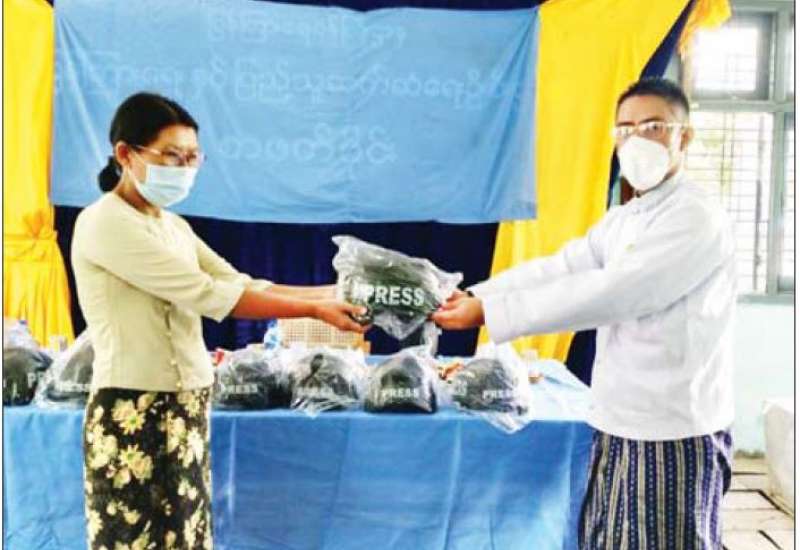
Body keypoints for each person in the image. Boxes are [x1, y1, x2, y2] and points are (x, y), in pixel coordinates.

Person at [433, 77, 737, 549]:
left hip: (672, 427)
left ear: (685, 136)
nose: (637, 140)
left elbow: (614, 293)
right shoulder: (625, 218)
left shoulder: (695, 216)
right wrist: (476, 294)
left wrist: (489, 311)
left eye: (653, 127)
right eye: (625, 130)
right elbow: (562, 267)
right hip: (620, 416)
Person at [72, 92, 368, 550]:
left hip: (188, 403)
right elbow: (208, 294)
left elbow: (240, 281)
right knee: (131, 538)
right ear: (125, 154)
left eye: (193, 157)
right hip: (131, 407)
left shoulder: (172, 226)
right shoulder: (103, 223)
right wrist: (313, 310)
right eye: (172, 156)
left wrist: (332, 293)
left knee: (188, 536)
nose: (184, 168)